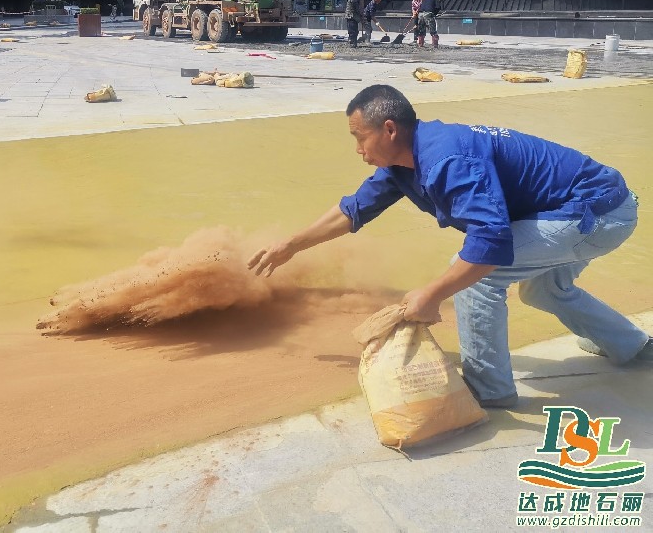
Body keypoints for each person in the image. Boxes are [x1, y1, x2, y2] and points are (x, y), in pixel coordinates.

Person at [247, 84, 650, 408]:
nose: (358, 150)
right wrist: (292, 245)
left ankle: (488, 389)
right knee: (544, 289)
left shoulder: (446, 160)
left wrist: (432, 294)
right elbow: (353, 210)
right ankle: (633, 346)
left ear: (389, 129)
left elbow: (489, 242)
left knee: (474, 278)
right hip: (593, 206)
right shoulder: (403, 162)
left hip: (598, 213)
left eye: (359, 137)